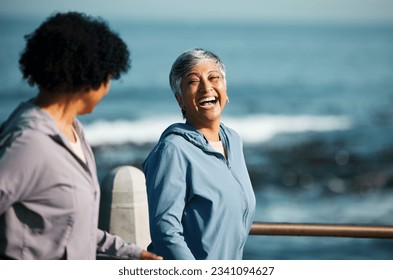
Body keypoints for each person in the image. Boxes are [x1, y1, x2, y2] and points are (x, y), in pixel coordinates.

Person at [0, 12, 161, 260]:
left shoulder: (73, 129)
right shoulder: (29, 142)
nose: (107, 87)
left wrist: (131, 253)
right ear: (88, 76)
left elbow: (69, 226)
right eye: (108, 77)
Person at [143, 48, 256, 260]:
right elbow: (165, 233)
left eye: (214, 77)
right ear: (180, 100)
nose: (207, 87)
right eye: (193, 82)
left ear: (225, 88)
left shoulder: (233, 140)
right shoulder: (172, 150)